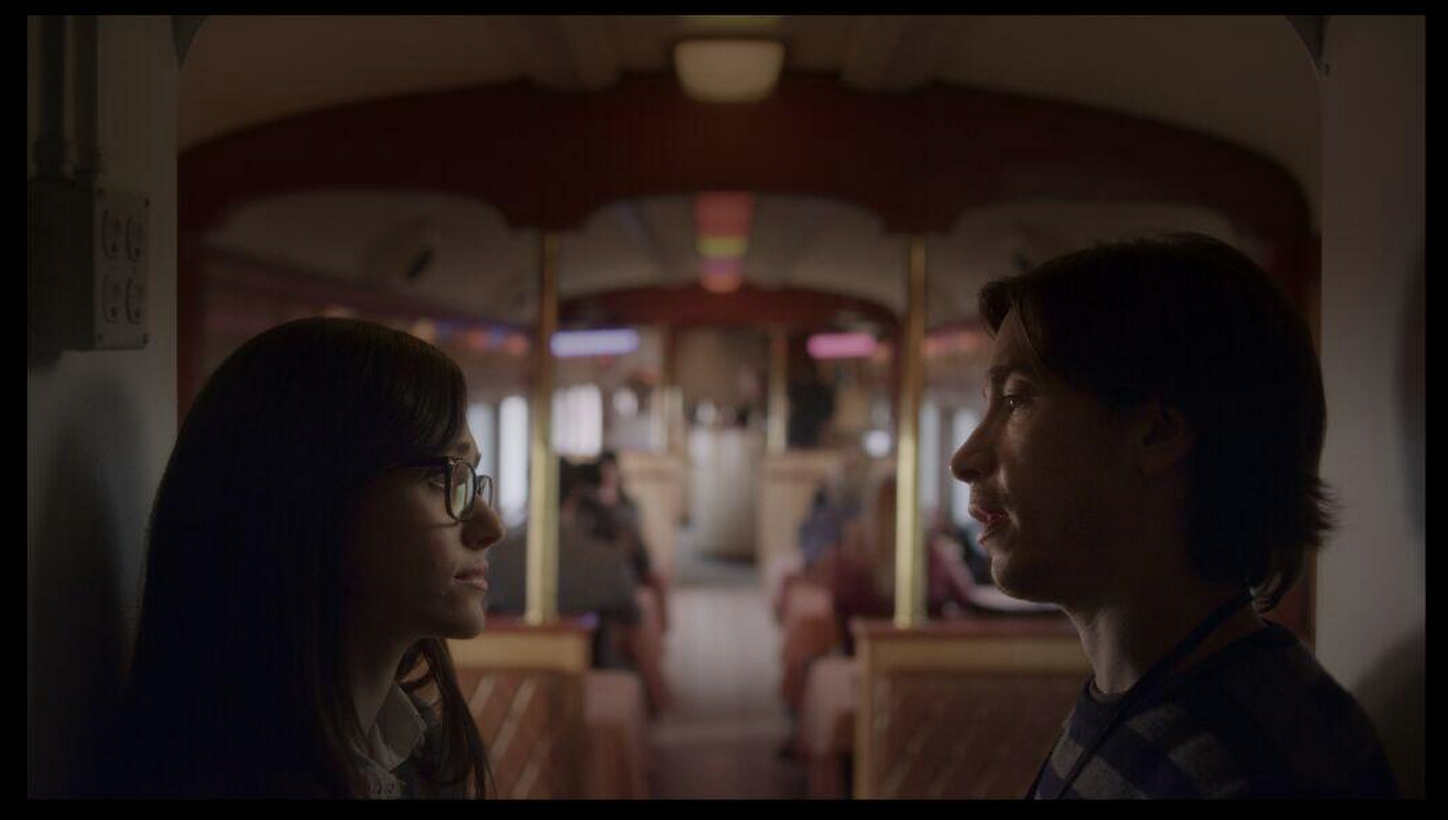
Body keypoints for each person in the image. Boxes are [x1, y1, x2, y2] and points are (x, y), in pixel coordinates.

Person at [950, 234, 1399, 799]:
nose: (964, 459)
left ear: (1158, 433)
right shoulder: (1150, 695)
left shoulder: (1246, 771)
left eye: (1016, 400)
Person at [86, 317, 506, 798]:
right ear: (315, 496)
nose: (491, 527)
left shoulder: (421, 753)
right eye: (446, 478)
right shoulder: (209, 778)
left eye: (472, 478)